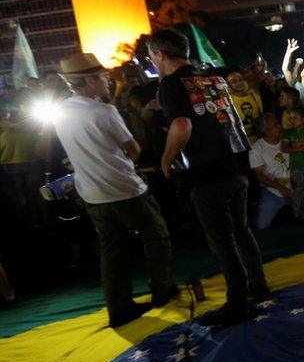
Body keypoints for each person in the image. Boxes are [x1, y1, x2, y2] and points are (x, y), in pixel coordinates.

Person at [151, 28, 272, 326]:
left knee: (222, 240)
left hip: (207, 172)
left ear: (160, 54)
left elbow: (182, 126)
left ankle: (237, 301)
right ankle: (259, 286)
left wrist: (167, 158)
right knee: (242, 230)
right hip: (236, 165)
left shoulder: (170, 84)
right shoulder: (213, 77)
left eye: (151, 56)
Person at [53, 53, 174, 327]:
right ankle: (162, 291)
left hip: (91, 194)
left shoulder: (61, 112)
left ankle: (119, 308)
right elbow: (133, 149)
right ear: (89, 80)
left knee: (112, 251)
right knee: (156, 236)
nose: (109, 82)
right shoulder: (104, 111)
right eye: (104, 78)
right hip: (124, 189)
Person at [249, 113, 292, 229]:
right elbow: (259, 175)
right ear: (267, 131)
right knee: (261, 226)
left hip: (295, 187)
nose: (280, 126)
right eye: (275, 125)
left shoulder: (287, 139)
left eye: (278, 123)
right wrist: (280, 187)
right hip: (272, 192)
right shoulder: (257, 149)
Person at [226, 71, 263, 143]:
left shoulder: (255, 97)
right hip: (240, 142)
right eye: (234, 81)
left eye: (241, 80)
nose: (238, 83)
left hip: (259, 141)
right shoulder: (228, 100)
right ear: (229, 85)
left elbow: (261, 116)